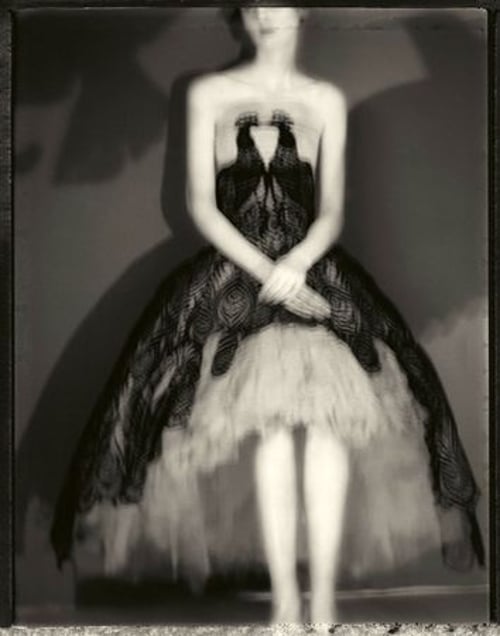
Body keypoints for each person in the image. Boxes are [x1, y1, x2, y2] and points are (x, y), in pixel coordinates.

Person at [51, 7, 485, 630]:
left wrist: (299, 266)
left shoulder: (324, 100)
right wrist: (265, 271)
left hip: (312, 272)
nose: (264, 16)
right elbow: (202, 205)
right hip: (237, 272)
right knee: (271, 429)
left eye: (276, 4)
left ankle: (324, 605)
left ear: (301, 12)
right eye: (253, 6)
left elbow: (330, 209)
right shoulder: (209, 93)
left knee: (335, 423)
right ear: (240, 19)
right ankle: (285, 604)